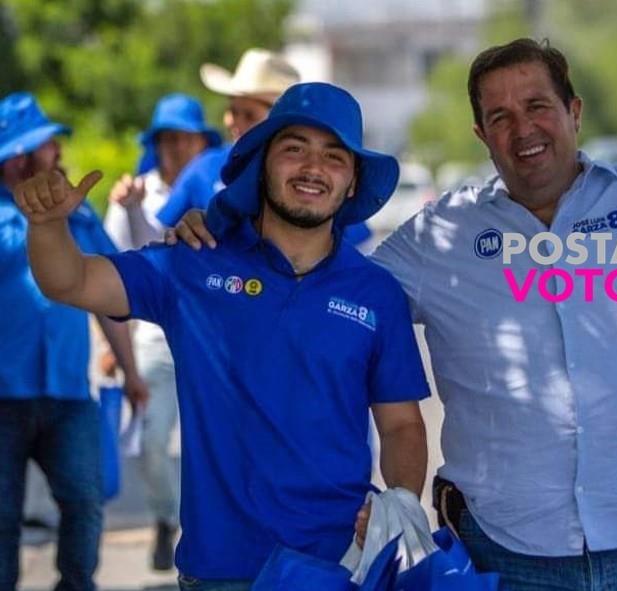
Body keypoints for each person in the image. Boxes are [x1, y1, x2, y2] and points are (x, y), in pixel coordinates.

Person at [173, 36, 617, 590]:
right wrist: (226, 231)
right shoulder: (441, 235)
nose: (523, 129)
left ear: (573, 111)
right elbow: (318, 285)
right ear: (480, 134)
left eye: (538, 106)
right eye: (499, 116)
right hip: (504, 555)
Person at [14, 82, 430, 591]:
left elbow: (402, 424)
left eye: (334, 156)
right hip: (220, 570)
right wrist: (47, 226)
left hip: (340, 565)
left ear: (351, 182)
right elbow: (70, 281)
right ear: (262, 163)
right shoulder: (194, 263)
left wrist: (403, 499)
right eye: (294, 148)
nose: (313, 168)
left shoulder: (376, 292)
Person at [0, 92, 149, 591]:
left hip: (68, 392)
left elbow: (112, 298)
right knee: (1, 517)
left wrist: (131, 372)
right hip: (3, 396)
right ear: (19, 155)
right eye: (48, 145)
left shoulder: (79, 216)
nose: (58, 153)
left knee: (85, 500)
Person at [102, 93, 221, 570]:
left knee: (211, 444)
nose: (176, 148)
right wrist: (114, 347)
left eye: (184, 138)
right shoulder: (133, 192)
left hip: (209, 342)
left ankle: (206, 532)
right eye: (167, 139)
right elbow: (120, 268)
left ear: (200, 142)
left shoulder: (221, 188)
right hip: (153, 343)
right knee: (151, 441)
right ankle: (166, 518)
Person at [155, 47, 373, 248]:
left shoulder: (325, 187)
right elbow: (155, 237)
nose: (233, 121)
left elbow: (358, 254)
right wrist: (183, 231)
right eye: (232, 111)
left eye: (248, 115)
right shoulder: (204, 168)